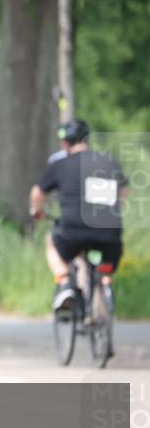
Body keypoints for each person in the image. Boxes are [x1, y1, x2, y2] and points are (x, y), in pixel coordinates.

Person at [29, 119, 128, 324]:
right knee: (100, 265)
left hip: (73, 232)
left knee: (51, 241)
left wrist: (37, 212)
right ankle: (101, 302)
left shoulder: (60, 164)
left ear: (65, 143)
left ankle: (65, 284)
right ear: (87, 140)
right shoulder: (107, 162)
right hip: (110, 234)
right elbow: (123, 192)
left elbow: (37, 193)